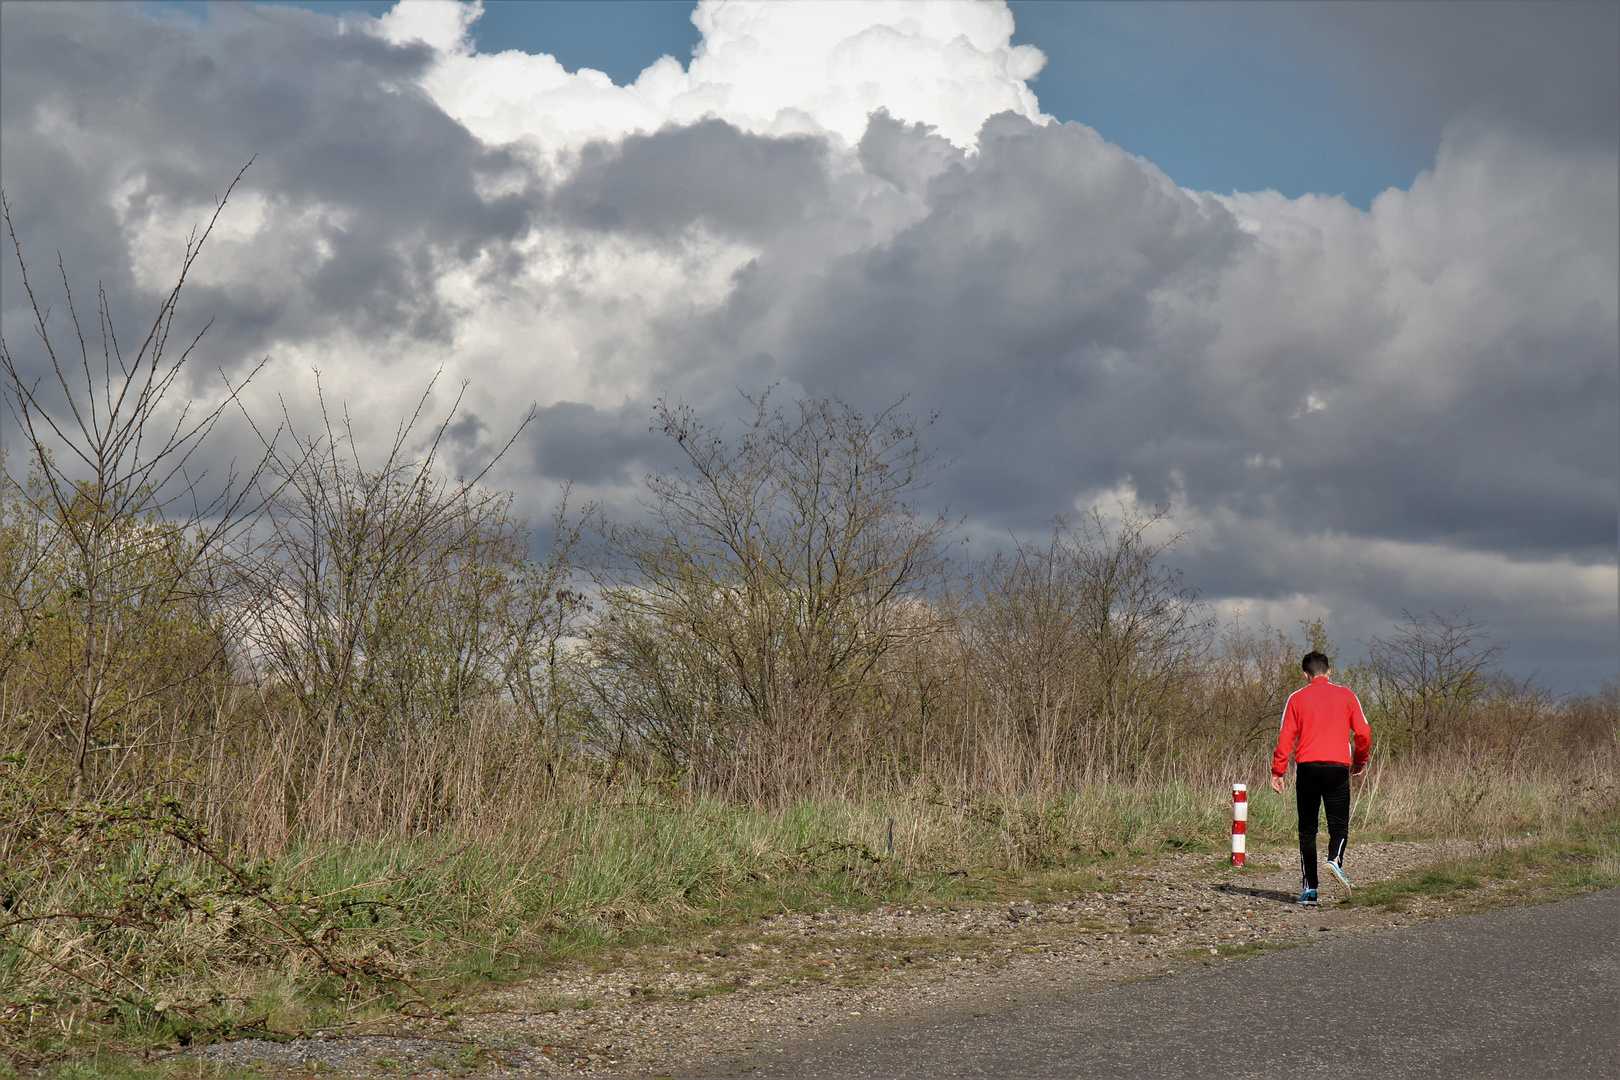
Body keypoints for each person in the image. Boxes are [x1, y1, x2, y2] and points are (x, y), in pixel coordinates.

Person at [1271, 650, 1372, 904]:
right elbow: (1363, 733)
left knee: (1307, 830)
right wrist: (1360, 761)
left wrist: (1278, 770)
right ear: (1329, 671)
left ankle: (1310, 890)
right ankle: (1334, 860)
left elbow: (1286, 737)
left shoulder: (1296, 698)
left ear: (1305, 675)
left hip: (1308, 768)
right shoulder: (1347, 695)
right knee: (1338, 825)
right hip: (1337, 768)